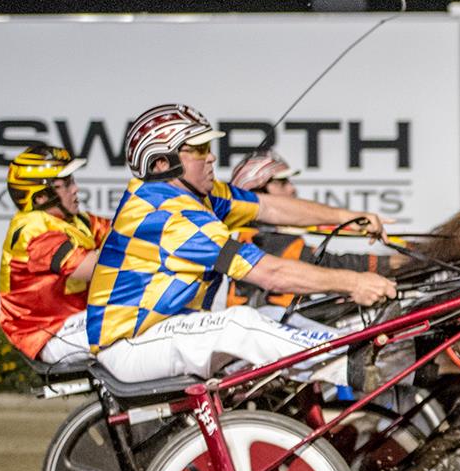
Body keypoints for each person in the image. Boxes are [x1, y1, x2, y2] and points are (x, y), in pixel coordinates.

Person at [86, 104, 397, 383]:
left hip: (169, 332)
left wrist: (352, 216)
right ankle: (359, 368)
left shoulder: (198, 196)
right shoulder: (166, 214)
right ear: (161, 164)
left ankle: (378, 362)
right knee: (240, 323)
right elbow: (268, 273)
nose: (211, 156)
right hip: (131, 344)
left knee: (272, 318)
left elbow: (270, 208)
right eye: (198, 149)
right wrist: (353, 283)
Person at [224, 148, 397, 309]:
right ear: (257, 192)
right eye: (282, 182)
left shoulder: (246, 232)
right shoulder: (265, 240)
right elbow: (331, 264)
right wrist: (411, 258)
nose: (292, 189)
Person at [0, 145, 112, 366]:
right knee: (137, 326)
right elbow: (96, 268)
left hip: (74, 322)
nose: (75, 189)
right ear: (40, 197)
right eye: (65, 184)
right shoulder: (33, 229)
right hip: (47, 333)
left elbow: (123, 231)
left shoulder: (76, 221)